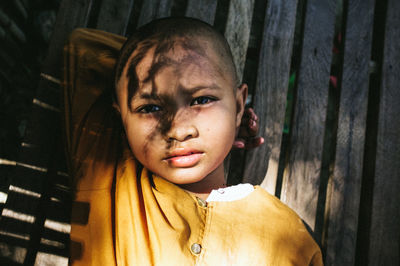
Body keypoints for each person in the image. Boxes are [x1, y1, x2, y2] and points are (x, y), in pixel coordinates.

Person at [64, 17, 323, 265]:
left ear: (239, 104)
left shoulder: (287, 236)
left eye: (201, 100)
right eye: (150, 107)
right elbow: (83, 48)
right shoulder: (109, 174)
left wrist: (227, 121)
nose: (179, 129)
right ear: (121, 116)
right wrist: (220, 119)